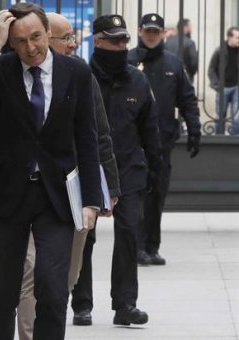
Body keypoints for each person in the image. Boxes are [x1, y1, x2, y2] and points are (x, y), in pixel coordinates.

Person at [0, 4, 101, 339]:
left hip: (56, 195)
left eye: (36, 37)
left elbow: (87, 136)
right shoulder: (1, 67)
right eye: (20, 41)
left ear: (48, 33)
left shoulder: (75, 72)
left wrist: (92, 200)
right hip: (6, 193)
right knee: (1, 292)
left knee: (53, 290)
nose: (31, 47)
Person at [14, 12, 122, 337]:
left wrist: (109, 189)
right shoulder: (11, 75)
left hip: (71, 190)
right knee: (31, 272)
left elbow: (99, 134)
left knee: (65, 276)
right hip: (26, 192)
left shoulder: (80, 75)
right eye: (67, 37)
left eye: (74, 37)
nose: (73, 43)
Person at [90, 14, 162, 326]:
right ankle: (81, 304)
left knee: (129, 232)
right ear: (97, 41)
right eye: (113, 40)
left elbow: (150, 129)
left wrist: (154, 168)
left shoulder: (138, 79)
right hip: (90, 168)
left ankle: (125, 304)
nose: (120, 46)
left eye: (124, 41)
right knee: (84, 236)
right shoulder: (81, 76)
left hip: (129, 167)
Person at [129, 13, 202, 266]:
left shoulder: (172, 63)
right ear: (140, 31)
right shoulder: (128, 61)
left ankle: (152, 246)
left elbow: (187, 99)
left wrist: (194, 130)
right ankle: (137, 246)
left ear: (162, 33)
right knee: (136, 196)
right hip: (132, 143)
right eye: (147, 31)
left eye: (155, 31)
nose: (151, 35)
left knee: (157, 196)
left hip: (161, 143)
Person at [208, 26, 239, 135]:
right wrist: (217, 85)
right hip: (223, 87)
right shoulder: (220, 50)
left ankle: (235, 140)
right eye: (237, 37)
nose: (238, 40)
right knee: (220, 116)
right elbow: (211, 69)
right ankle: (218, 139)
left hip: (237, 87)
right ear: (229, 37)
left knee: (237, 116)